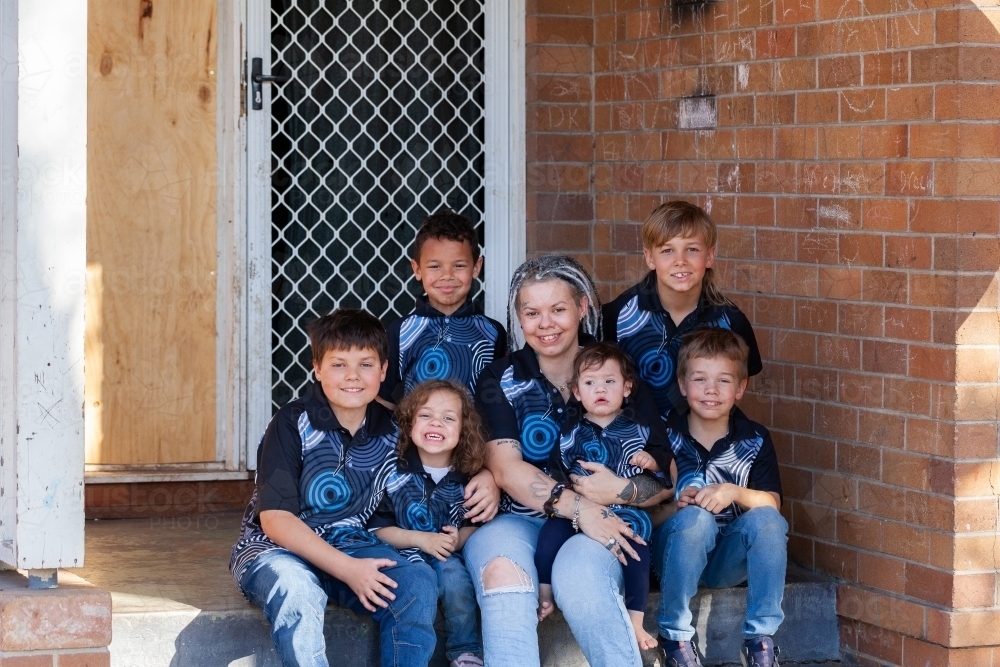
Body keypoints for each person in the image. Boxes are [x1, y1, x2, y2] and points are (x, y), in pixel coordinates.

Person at [469, 255, 673, 667]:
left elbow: (665, 477)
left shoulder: (615, 372)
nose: (545, 324)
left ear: (582, 307)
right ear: (519, 318)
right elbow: (507, 469)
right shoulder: (502, 378)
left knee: (580, 578)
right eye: (532, 313)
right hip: (518, 519)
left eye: (558, 309)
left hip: (604, 518)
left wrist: (624, 491)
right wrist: (581, 507)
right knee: (503, 577)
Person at [228, 309, 440, 667]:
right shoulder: (292, 422)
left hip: (352, 543)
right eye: (339, 364)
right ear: (317, 368)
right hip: (277, 549)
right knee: (297, 589)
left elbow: (433, 470)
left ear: (384, 370)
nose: (353, 377)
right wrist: (346, 569)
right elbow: (276, 520)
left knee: (417, 582)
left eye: (366, 365)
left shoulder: (393, 429)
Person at [652, 329, 786, 667]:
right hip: (672, 556)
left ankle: (760, 641)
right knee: (696, 519)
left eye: (724, 381)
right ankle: (675, 638)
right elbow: (641, 516)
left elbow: (773, 505)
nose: (711, 390)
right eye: (700, 379)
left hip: (726, 562)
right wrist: (675, 508)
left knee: (769, 519)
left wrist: (734, 492)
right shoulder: (662, 436)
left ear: (740, 388)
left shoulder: (753, 439)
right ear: (682, 385)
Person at [534, 343, 666, 652]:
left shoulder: (641, 429)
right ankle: (543, 591)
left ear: (627, 387)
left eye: (610, 381)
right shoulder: (570, 432)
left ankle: (635, 619)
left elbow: (663, 459)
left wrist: (652, 460)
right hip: (579, 510)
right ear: (577, 392)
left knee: (637, 551)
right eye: (590, 383)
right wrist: (566, 493)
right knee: (549, 535)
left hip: (625, 512)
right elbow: (556, 468)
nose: (600, 389)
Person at [603, 200, 762, 421]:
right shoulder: (619, 314)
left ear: (710, 256)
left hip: (700, 444)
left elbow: (737, 385)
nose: (680, 261)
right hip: (634, 446)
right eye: (667, 250)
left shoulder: (731, 322)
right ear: (650, 258)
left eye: (692, 249)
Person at [369, 379, 489, 667]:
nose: (436, 423)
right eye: (425, 415)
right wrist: (421, 539)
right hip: (401, 555)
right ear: (410, 423)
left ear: (463, 431)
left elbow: (478, 524)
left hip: (446, 554)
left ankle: (465, 652)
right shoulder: (393, 470)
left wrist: (459, 538)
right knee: (418, 583)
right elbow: (378, 529)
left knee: (456, 580)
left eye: (448, 418)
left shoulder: (468, 476)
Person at [380, 209, 507, 406]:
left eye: (458, 266)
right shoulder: (401, 332)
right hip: (416, 436)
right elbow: (380, 394)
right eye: (435, 266)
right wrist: (402, 426)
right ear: (416, 269)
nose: (447, 275)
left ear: (476, 267)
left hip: (478, 436)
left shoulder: (492, 332)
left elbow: (502, 397)